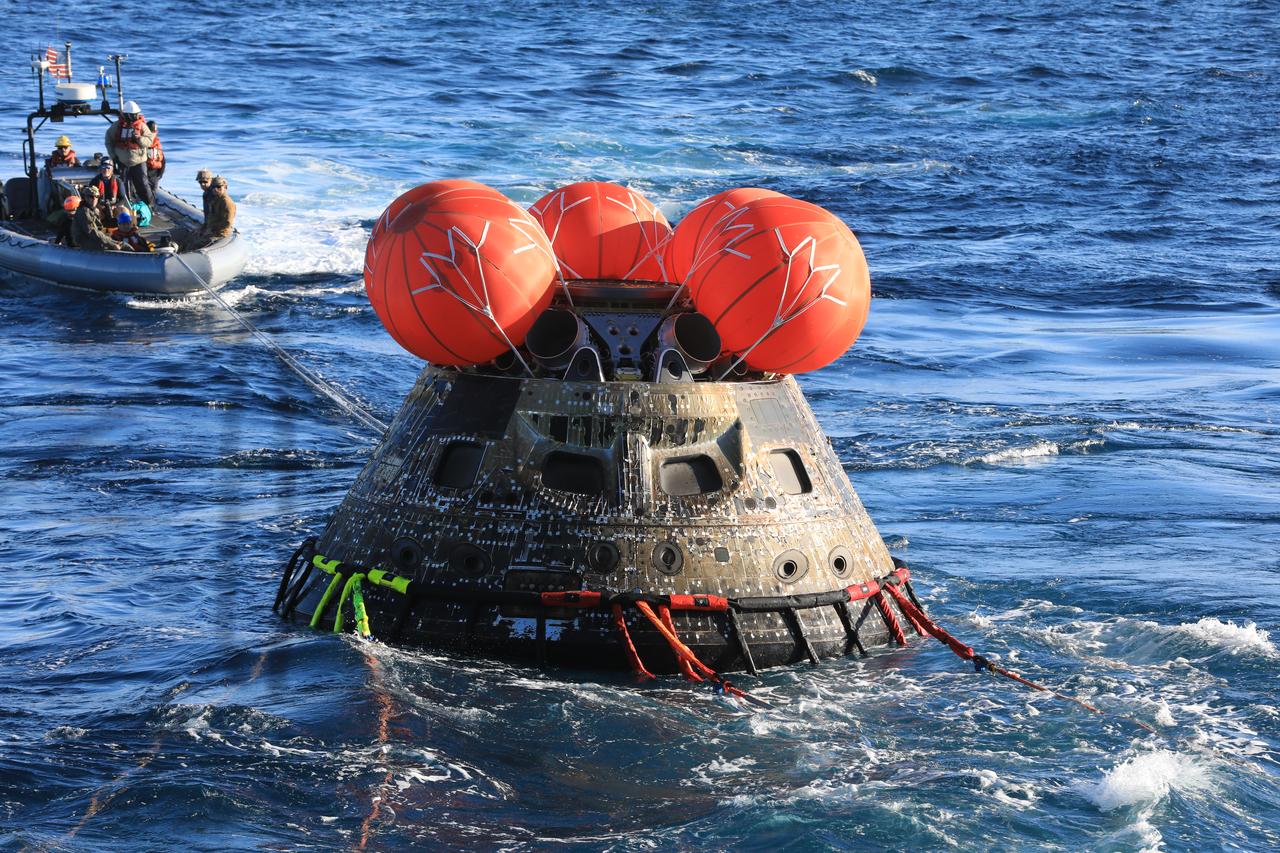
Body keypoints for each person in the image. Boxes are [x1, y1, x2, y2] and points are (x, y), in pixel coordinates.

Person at [104, 99, 155, 207]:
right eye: (132, 115)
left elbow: (149, 141)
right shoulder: (117, 126)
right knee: (123, 185)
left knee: (143, 185)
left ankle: (149, 206)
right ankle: (126, 205)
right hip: (122, 162)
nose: (135, 117)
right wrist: (113, 156)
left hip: (139, 161)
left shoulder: (142, 126)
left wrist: (139, 139)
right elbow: (108, 140)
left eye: (136, 114)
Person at [190, 174, 236, 249]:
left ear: (225, 187)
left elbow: (227, 223)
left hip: (219, 233)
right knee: (192, 237)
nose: (215, 189)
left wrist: (211, 231)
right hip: (211, 229)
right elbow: (210, 216)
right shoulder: (215, 199)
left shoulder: (227, 203)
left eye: (218, 187)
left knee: (196, 245)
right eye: (213, 187)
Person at [71, 186, 124, 252]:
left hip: (94, 237)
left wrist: (112, 231)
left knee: (122, 244)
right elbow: (91, 232)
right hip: (84, 240)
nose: (94, 199)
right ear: (85, 198)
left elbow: (100, 228)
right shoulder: (83, 211)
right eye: (91, 196)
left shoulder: (95, 210)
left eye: (96, 197)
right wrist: (111, 244)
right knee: (113, 246)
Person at [145, 120, 165, 198]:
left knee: (151, 194)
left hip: (153, 173)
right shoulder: (145, 142)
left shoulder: (156, 144)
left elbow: (163, 160)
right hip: (147, 173)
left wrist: (159, 175)